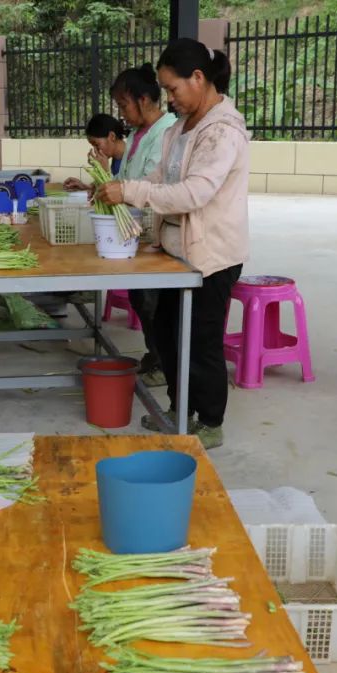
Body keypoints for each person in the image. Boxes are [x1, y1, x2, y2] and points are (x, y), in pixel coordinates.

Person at [96, 40, 249, 450]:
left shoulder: (222, 131)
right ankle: (181, 410)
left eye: (173, 88)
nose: (170, 98)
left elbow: (194, 193)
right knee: (167, 333)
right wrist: (145, 223)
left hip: (211, 255)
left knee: (201, 339)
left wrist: (130, 191)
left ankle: (210, 420)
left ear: (198, 79)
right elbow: (164, 180)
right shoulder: (182, 128)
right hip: (176, 252)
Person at [108, 64, 179, 388]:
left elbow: (153, 183)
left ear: (145, 100)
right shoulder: (137, 134)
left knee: (154, 303)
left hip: (154, 229)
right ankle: (156, 356)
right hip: (135, 232)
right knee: (141, 298)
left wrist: (125, 191)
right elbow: (127, 181)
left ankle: (165, 363)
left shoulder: (168, 131)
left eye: (124, 105)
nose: (121, 113)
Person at [63, 113, 126, 191]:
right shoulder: (116, 160)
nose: (95, 150)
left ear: (112, 136)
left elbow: (124, 193)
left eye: (96, 144)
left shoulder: (133, 158)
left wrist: (105, 170)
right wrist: (86, 187)